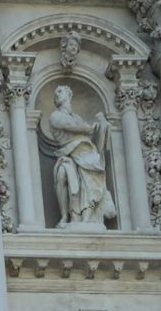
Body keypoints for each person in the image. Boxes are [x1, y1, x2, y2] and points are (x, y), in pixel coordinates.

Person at [38, 84, 117, 227]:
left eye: (60, 91)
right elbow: (68, 125)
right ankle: (65, 216)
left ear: (69, 95)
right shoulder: (56, 116)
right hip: (69, 154)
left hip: (86, 153)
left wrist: (101, 126)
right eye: (56, 92)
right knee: (63, 172)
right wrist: (90, 128)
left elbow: (91, 135)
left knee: (89, 179)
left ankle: (87, 216)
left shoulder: (77, 117)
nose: (57, 94)